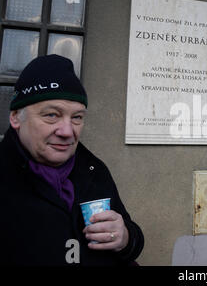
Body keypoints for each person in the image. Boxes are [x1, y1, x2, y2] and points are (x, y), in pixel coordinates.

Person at [0, 55, 144, 266]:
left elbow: (131, 240)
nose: (68, 131)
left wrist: (125, 238)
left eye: (77, 117)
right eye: (51, 115)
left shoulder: (93, 169)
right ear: (15, 117)